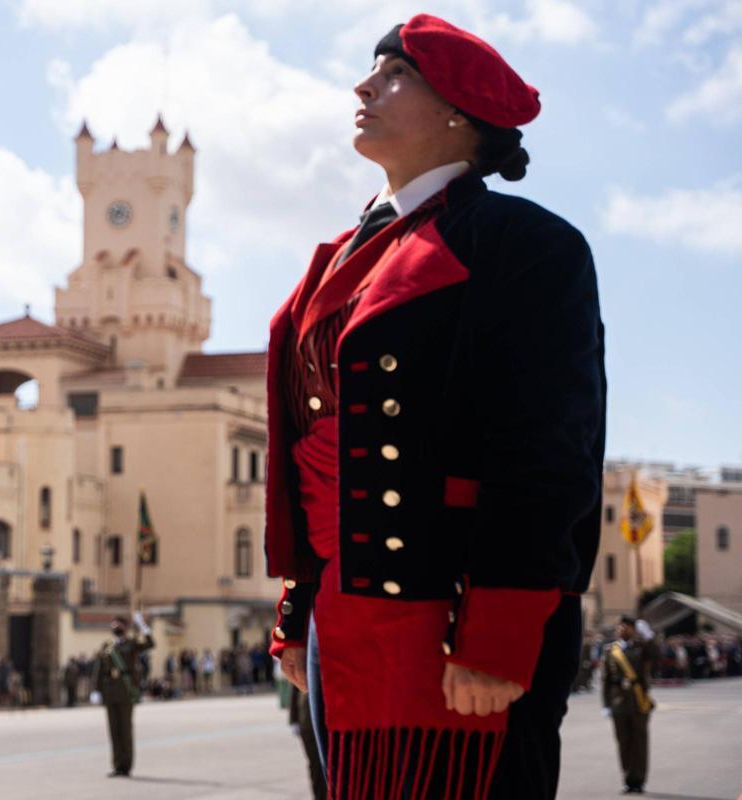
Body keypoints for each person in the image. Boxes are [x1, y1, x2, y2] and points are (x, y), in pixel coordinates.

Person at [263, 14, 606, 800]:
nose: (364, 86)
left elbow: (548, 449)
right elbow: (325, 450)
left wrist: (501, 629)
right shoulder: (341, 254)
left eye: (395, 74)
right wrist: (302, 604)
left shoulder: (524, 244)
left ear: (457, 110)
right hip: (345, 623)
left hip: (453, 613)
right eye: (371, 71)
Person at [91, 612, 154, 777]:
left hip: (126, 693)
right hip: (110, 693)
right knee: (114, 731)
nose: (116, 627)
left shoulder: (132, 644)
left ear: (125, 627)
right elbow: (99, 669)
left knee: (125, 731)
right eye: (113, 624)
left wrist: (142, 625)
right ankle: (117, 765)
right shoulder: (107, 645)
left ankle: (127, 766)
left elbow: (150, 644)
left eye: (119, 624)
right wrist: (96, 690)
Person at [602, 616, 660, 794]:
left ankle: (639, 781)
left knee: (640, 743)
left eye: (627, 626)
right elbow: (606, 680)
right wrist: (606, 705)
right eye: (620, 626)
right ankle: (628, 780)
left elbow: (657, 656)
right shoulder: (611, 650)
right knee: (624, 743)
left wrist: (649, 637)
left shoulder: (642, 647)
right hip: (618, 702)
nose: (622, 629)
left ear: (634, 629)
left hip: (639, 701)